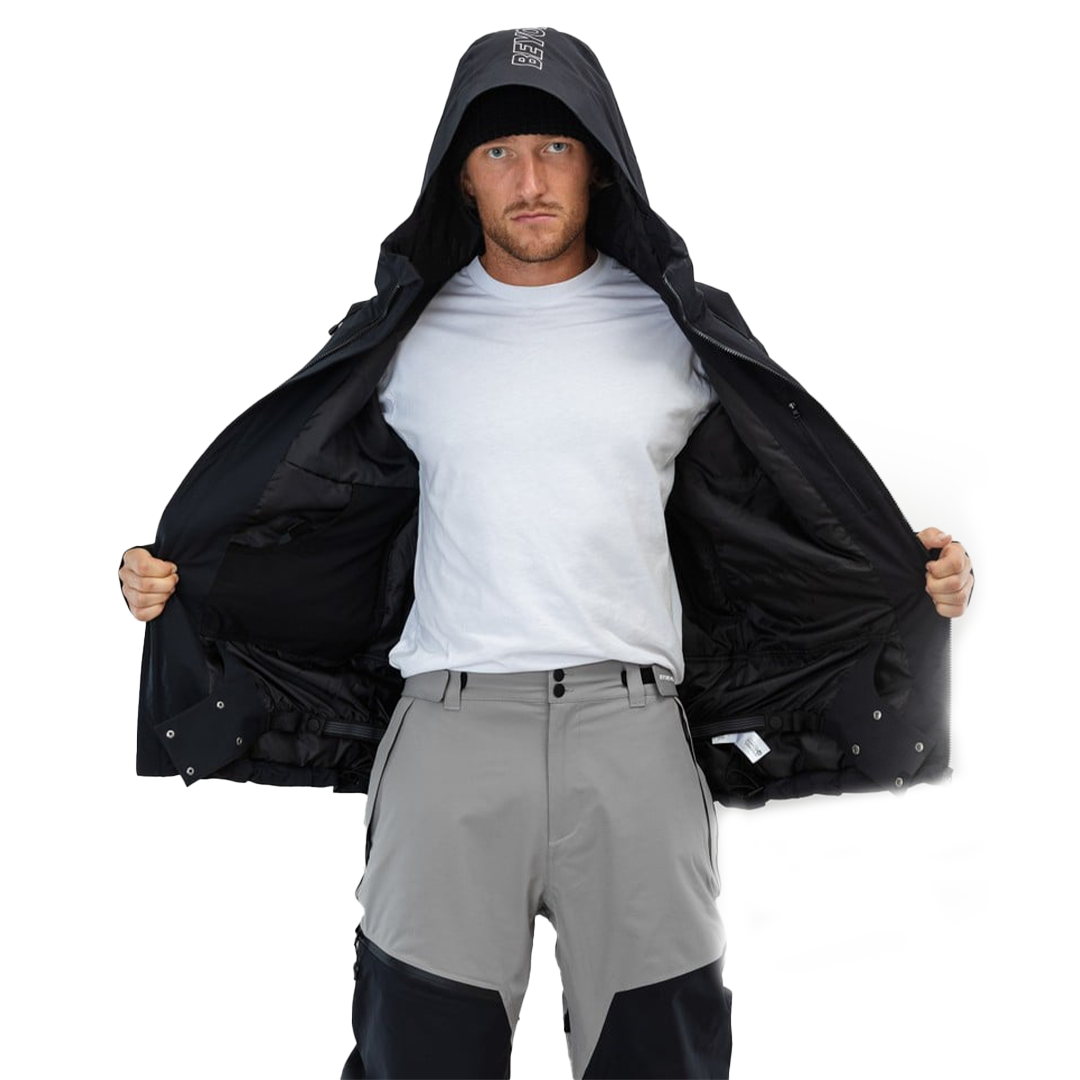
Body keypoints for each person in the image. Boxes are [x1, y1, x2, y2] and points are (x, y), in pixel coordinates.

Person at [119, 26, 973, 1080]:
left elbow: (780, 508)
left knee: (663, 1059)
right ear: (460, 176)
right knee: (417, 1059)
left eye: (555, 148)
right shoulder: (404, 340)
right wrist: (173, 578)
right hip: (448, 736)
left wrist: (908, 571)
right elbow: (296, 512)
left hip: (635, 738)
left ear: (598, 163)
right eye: (499, 152)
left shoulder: (676, 333)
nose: (529, 180)